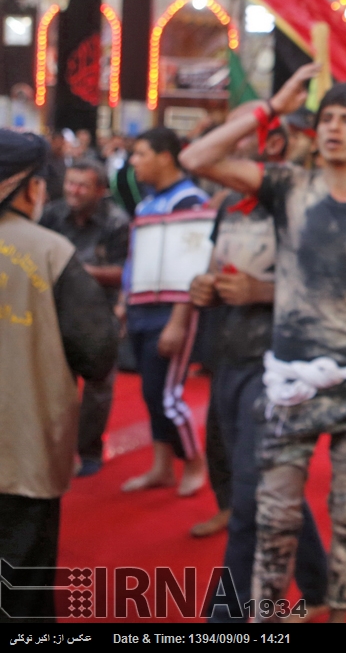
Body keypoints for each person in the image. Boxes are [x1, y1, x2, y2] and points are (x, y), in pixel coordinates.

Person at [180, 65, 346, 622]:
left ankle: (336, 614)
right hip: (288, 381)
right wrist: (272, 105)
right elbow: (195, 158)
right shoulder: (287, 186)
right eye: (326, 120)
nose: (333, 128)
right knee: (273, 516)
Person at [187, 103, 329, 623]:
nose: (244, 141)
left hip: (280, 365)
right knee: (266, 481)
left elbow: (333, 293)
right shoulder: (230, 203)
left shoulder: (312, 204)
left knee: (250, 498)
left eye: (278, 135)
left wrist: (261, 291)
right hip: (228, 355)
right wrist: (201, 291)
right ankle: (320, 587)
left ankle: (224, 621)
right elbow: (210, 264)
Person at [0, 132, 118, 622]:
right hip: (21, 450)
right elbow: (97, 353)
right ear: (30, 187)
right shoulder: (50, 251)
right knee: (20, 590)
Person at [121, 127, 209, 496]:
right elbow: (135, 258)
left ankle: (194, 461)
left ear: (165, 157)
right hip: (141, 307)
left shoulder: (190, 201)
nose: (134, 162)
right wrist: (124, 301)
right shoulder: (146, 204)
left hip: (170, 311)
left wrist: (178, 320)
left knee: (167, 396)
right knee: (150, 393)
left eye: (141, 154)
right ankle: (162, 467)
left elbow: (195, 266)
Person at [39, 159, 129, 477]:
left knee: (98, 385)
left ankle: (90, 450)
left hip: (98, 313)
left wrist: (77, 271)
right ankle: (54, 448)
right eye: (70, 183)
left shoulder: (116, 222)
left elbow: (125, 273)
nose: (74, 191)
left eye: (82, 185)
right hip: (54, 310)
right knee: (51, 382)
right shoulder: (52, 214)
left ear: (100, 190)